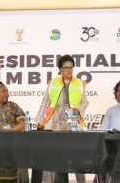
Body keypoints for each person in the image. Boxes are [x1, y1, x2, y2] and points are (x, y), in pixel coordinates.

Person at [34, 55, 89, 183]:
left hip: (73, 119)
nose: (69, 70)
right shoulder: (53, 82)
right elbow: (45, 102)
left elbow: (85, 102)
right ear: (60, 69)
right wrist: (40, 122)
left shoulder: (79, 83)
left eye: (71, 67)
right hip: (55, 119)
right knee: (51, 155)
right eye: (66, 68)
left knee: (77, 156)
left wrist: (77, 109)